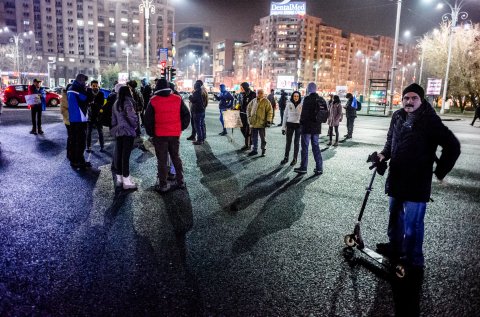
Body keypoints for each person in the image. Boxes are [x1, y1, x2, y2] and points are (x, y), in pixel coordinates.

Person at [375, 83, 461, 274]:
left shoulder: (430, 120)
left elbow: (452, 145)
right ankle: (395, 247)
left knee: (412, 226)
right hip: (397, 177)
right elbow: (391, 141)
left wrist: (440, 172)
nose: (409, 101)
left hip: (417, 181)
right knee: (395, 217)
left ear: (421, 100)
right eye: (406, 98)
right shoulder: (397, 116)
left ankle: (414, 261)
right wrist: (382, 155)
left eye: (414, 98)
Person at [144, 78, 191, 193]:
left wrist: (151, 133)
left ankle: (163, 184)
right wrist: (180, 128)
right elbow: (186, 115)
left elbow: (147, 120)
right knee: (176, 157)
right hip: (174, 134)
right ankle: (180, 181)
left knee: (162, 160)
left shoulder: (153, 100)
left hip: (160, 135)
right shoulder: (177, 99)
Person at [110, 86, 138, 190]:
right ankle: (126, 181)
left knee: (119, 154)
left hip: (119, 132)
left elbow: (113, 119)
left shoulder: (116, 103)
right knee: (125, 157)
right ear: (127, 92)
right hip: (128, 132)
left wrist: (115, 129)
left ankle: (119, 179)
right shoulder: (128, 102)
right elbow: (132, 117)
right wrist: (135, 126)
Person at [294, 82, 325, 176]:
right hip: (316, 128)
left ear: (308, 89)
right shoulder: (321, 99)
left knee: (305, 148)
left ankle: (303, 167)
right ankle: (319, 168)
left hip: (307, 128)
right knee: (316, 147)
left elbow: (304, 114)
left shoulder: (307, 99)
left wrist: (301, 124)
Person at [67, 74, 91, 169]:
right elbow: (87, 99)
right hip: (79, 119)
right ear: (80, 80)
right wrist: (88, 90)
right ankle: (78, 161)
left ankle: (74, 160)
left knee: (74, 140)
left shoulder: (71, 88)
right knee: (80, 141)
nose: (85, 83)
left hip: (74, 118)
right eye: (84, 81)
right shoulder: (77, 89)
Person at [246, 89, 273, 157]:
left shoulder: (266, 101)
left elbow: (270, 111)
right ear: (256, 93)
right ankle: (255, 150)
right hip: (254, 123)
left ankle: (263, 150)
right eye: (258, 93)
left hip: (262, 123)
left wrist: (268, 120)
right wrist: (249, 117)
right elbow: (248, 109)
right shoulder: (253, 101)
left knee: (263, 138)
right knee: (254, 137)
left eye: (261, 93)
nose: (259, 94)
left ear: (263, 94)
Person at [281, 91, 302, 166]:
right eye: (294, 96)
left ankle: (294, 159)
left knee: (296, 143)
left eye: (297, 96)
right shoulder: (288, 104)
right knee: (288, 142)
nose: (296, 97)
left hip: (298, 125)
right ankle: (286, 157)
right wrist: (283, 128)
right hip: (289, 124)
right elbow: (285, 116)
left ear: (299, 97)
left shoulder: (301, 105)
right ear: (292, 97)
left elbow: (303, 117)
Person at [86, 80, 105, 152]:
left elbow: (101, 104)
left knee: (100, 132)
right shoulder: (88, 93)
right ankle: (88, 147)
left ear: (98, 86)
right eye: (93, 86)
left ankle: (102, 146)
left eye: (96, 86)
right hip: (90, 115)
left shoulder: (101, 93)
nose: (95, 87)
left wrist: (93, 104)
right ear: (91, 86)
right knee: (89, 132)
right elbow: (87, 103)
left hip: (98, 116)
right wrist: (93, 104)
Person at [239, 82, 256, 150]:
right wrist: (237, 107)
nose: (241, 89)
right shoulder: (242, 94)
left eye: (242, 87)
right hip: (242, 114)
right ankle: (250, 142)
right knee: (242, 129)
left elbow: (253, 104)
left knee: (247, 131)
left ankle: (247, 145)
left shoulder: (253, 94)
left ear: (245, 87)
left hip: (249, 115)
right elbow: (240, 103)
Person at [188, 80, 206, 145]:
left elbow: (193, 100)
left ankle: (200, 140)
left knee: (198, 126)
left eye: (194, 85)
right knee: (200, 125)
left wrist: (190, 96)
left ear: (196, 86)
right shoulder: (201, 91)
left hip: (197, 111)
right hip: (201, 110)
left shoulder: (196, 92)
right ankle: (202, 138)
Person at [60, 84, 72, 161]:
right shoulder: (65, 97)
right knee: (71, 136)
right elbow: (62, 110)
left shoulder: (67, 95)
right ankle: (69, 153)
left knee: (71, 136)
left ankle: (69, 152)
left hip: (69, 119)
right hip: (68, 120)